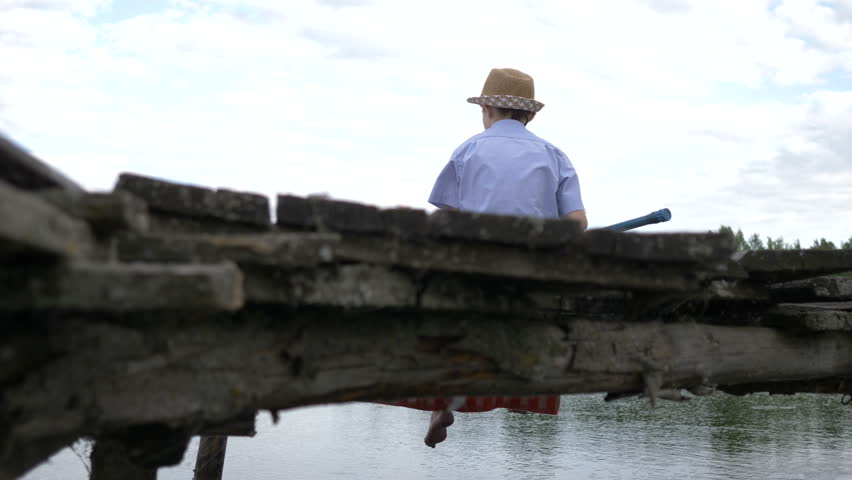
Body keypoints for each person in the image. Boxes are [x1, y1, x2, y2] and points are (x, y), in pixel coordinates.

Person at [422, 67, 588, 448]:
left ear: (487, 111)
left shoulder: (468, 150)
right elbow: (577, 221)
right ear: (529, 115)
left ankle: (440, 402)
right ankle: (521, 392)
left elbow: (448, 218)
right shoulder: (554, 156)